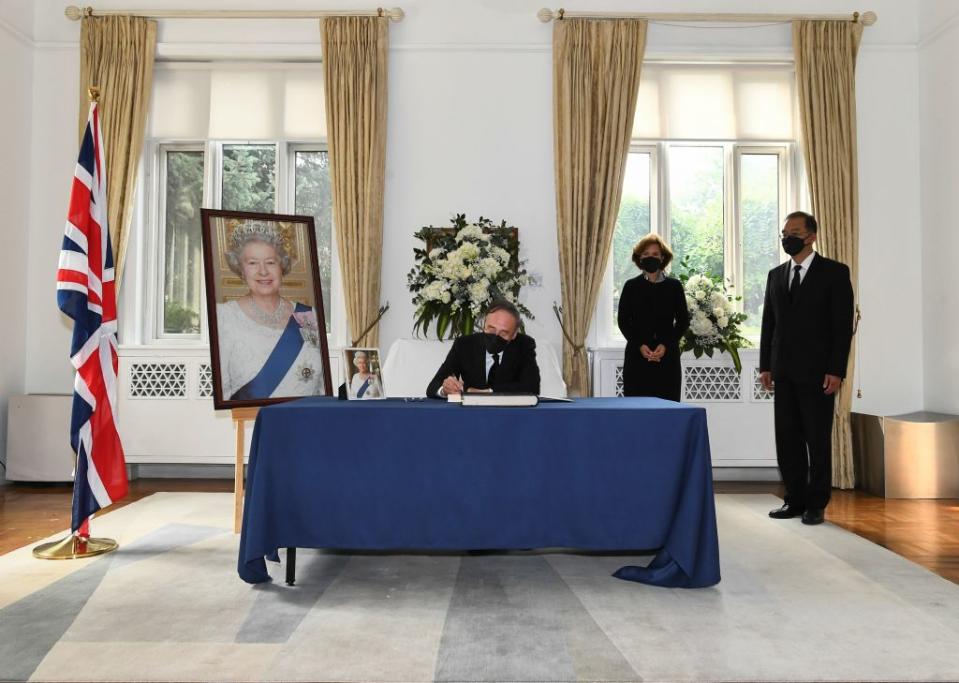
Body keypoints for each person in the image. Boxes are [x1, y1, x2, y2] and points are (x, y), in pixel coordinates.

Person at [760, 211, 854, 526]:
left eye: (795, 232)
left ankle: (816, 503)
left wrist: (836, 369)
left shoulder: (835, 273)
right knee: (787, 439)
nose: (789, 237)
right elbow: (768, 325)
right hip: (783, 372)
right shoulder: (775, 275)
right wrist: (765, 366)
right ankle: (794, 499)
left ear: (811, 236)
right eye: (785, 232)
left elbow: (842, 327)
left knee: (816, 439)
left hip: (818, 374)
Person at [216, 221, 326, 401]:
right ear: (241, 271)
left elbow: (322, 385)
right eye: (252, 263)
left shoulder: (308, 315)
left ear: (282, 266)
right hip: (254, 423)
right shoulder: (223, 316)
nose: (263, 271)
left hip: (308, 420)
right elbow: (222, 392)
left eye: (270, 262)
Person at [617, 234, 690, 401]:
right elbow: (623, 321)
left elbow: (683, 321)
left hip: (667, 359)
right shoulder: (631, 286)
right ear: (639, 258)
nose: (651, 257)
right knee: (637, 414)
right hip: (637, 358)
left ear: (663, 258)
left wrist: (665, 345)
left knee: (667, 413)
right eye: (646, 254)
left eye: (655, 254)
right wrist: (639, 345)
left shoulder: (674, 286)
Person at [426, 300, 540, 397]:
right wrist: (445, 390)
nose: (496, 336)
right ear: (483, 323)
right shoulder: (464, 345)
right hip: (471, 414)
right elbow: (433, 386)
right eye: (491, 329)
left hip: (509, 415)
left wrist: (488, 392)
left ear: (514, 334)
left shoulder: (524, 345)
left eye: (503, 333)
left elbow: (531, 387)